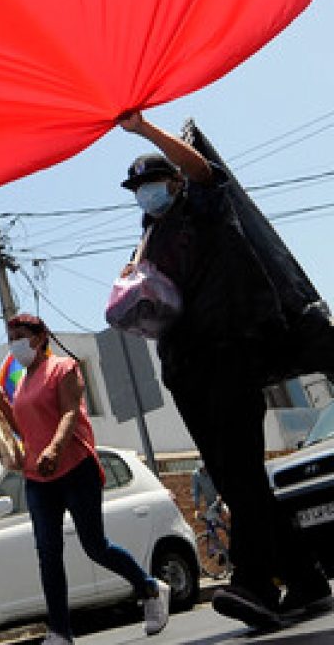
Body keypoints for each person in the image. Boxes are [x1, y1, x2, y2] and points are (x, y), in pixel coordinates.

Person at [118, 109, 332, 628]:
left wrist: (145, 129)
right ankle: (304, 580)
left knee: (239, 471)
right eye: (137, 187)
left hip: (228, 354)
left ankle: (254, 583)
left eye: (152, 181)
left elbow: (205, 173)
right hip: (184, 370)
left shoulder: (202, 206)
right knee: (237, 480)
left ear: (172, 179)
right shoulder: (149, 239)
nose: (145, 192)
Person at [0, 313, 170, 645]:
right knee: (48, 553)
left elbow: (70, 411)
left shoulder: (64, 368)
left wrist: (55, 449)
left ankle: (149, 587)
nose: (14, 341)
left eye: (21, 333)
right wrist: (4, 406)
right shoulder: (23, 382)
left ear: (40, 337)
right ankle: (60, 631)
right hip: (38, 477)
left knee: (95, 546)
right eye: (10, 335)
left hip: (74, 468)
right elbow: (26, 431)